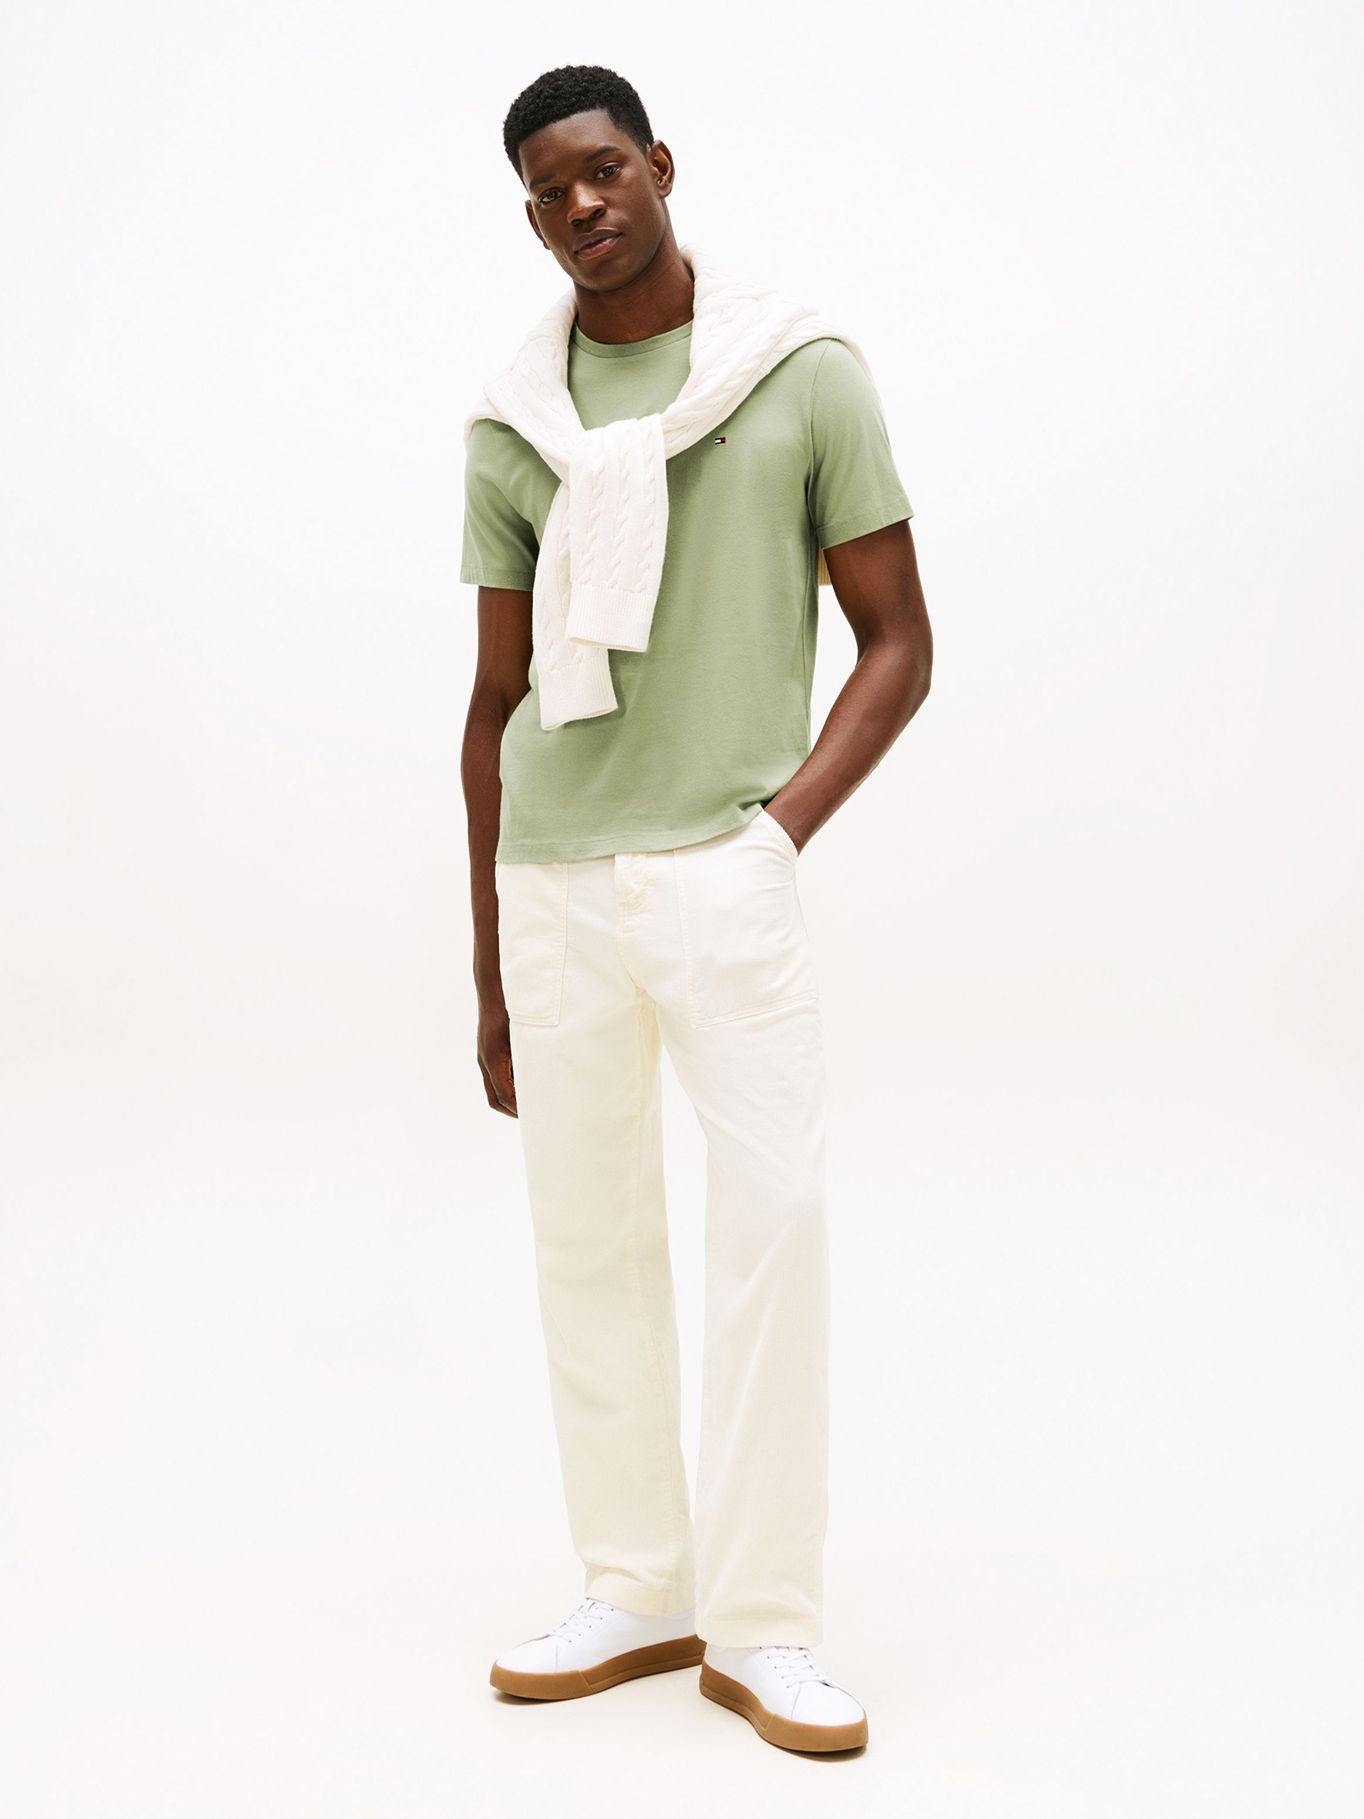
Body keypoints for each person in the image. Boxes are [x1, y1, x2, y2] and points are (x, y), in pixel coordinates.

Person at [459, 63, 932, 1756]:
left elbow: (899, 643)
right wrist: (488, 970)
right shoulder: (515, 421)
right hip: (556, 880)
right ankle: (636, 1584)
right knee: (587, 1244)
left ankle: (767, 1624)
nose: (580, 205)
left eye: (601, 169)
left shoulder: (800, 373)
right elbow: (493, 699)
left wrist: (775, 833)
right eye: (547, 191)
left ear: (658, 164)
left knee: (771, 1232)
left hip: (725, 874)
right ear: (532, 220)